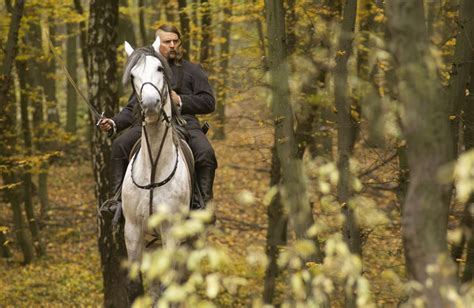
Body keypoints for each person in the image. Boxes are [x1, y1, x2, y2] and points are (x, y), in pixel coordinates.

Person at [99, 24, 217, 220]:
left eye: (175, 41)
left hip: (184, 123)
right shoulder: (147, 70)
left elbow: (209, 102)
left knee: (206, 153)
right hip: (147, 123)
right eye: (167, 41)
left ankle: (202, 204)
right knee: (120, 145)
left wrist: (180, 100)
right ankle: (117, 202)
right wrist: (113, 123)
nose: (172, 45)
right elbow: (132, 108)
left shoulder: (193, 70)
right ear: (157, 44)